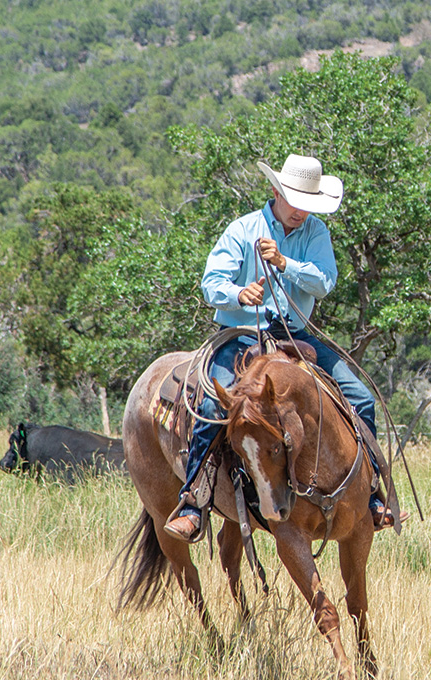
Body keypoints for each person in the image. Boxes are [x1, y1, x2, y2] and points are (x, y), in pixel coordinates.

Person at [163, 154, 406, 542]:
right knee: (212, 407)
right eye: (296, 201)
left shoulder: (315, 233)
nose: (301, 212)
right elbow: (212, 283)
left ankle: (372, 492)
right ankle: (194, 502)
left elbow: (324, 282)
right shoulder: (243, 230)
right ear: (275, 192)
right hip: (242, 334)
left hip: (295, 337)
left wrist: (285, 262)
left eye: (308, 204)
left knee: (360, 397)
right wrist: (240, 293)